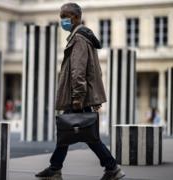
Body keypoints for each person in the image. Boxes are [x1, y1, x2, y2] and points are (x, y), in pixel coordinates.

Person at [35, 3, 125, 180]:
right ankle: (55, 168)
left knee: (85, 135)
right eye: (61, 16)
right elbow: (93, 70)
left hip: (78, 97)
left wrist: (78, 97)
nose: (62, 20)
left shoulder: (79, 39)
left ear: (76, 17)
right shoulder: (83, 36)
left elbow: (78, 70)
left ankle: (112, 168)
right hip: (81, 96)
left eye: (65, 16)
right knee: (68, 133)